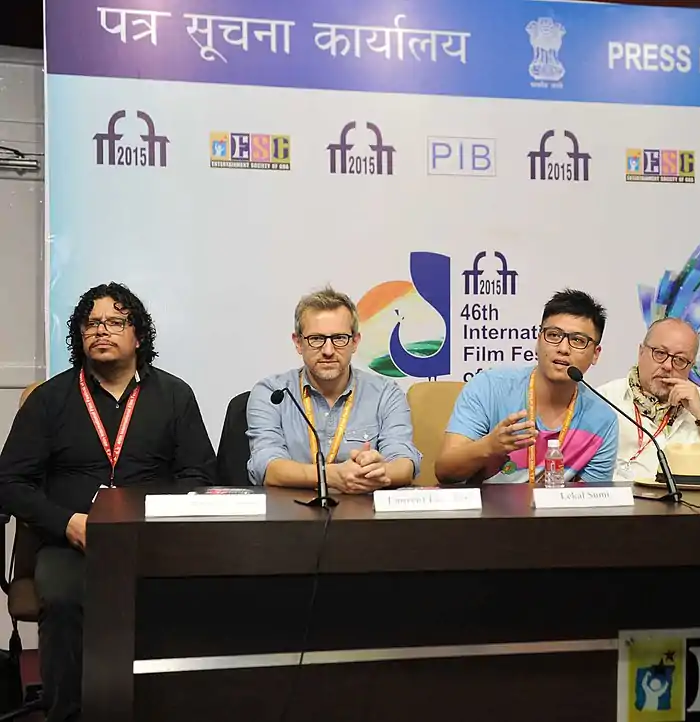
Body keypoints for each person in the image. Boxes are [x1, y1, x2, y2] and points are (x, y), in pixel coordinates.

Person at [0, 282, 216, 722]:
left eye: (116, 322)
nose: (102, 330)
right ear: (79, 336)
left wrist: (152, 518)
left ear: (138, 335)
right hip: (70, 541)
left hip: (152, 541)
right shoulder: (49, 400)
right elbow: (10, 482)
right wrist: (66, 524)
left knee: (189, 598)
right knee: (62, 600)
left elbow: (200, 475)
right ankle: (69, 713)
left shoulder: (174, 396)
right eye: (91, 323)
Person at [436, 289, 619, 484]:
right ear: (538, 339)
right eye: (553, 335)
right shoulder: (489, 387)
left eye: (578, 340)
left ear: (595, 354)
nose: (563, 349)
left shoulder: (602, 421)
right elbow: (445, 471)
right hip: (489, 512)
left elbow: (592, 503)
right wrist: (489, 446)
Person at [247, 287, 421, 491]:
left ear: (355, 342)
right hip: (292, 516)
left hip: (363, 514)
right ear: (298, 343)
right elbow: (267, 467)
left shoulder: (386, 393)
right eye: (316, 339)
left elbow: (405, 463)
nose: (328, 351)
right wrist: (330, 475)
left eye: (339, 338)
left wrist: (378, 472)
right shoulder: (271, 393)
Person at [597, 318, 700, 480]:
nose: (668, 366)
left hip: (694, 502)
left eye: (680, 360)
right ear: (641, 352)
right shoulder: (605, 400)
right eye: (660, 353)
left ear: (690, 366)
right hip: (629, 501)